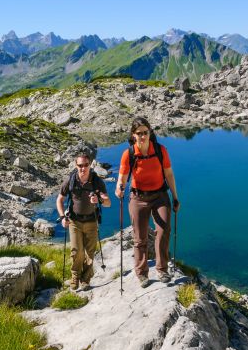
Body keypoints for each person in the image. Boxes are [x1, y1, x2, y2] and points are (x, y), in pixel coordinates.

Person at [115, 117, 180, 288]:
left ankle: (162, 269)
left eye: (146, 132)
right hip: (138, 198)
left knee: (164, 229)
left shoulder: (160, 150)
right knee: (140, 238)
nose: (143, 136)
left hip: (160, 196)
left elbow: (169, 174)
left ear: (150, 133)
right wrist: (119, 188)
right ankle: (142, 273)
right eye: (139, 133)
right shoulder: (128, 154)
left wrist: (175, 197)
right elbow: (122, 177)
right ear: (133, 135)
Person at [56, 152, 111, 291]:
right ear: (76, 165)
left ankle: (85, 280)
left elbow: (108, 203)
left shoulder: (97, 181)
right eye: (80, 165)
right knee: (76, 251)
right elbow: (60, 199)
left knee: (89, 252)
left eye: (85, 165)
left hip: (92, 221)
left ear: (90, 164)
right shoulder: (71, 180)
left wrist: (99, 200)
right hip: (74, 221)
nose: (83, 168)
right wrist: (63, 217)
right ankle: (75, 277)